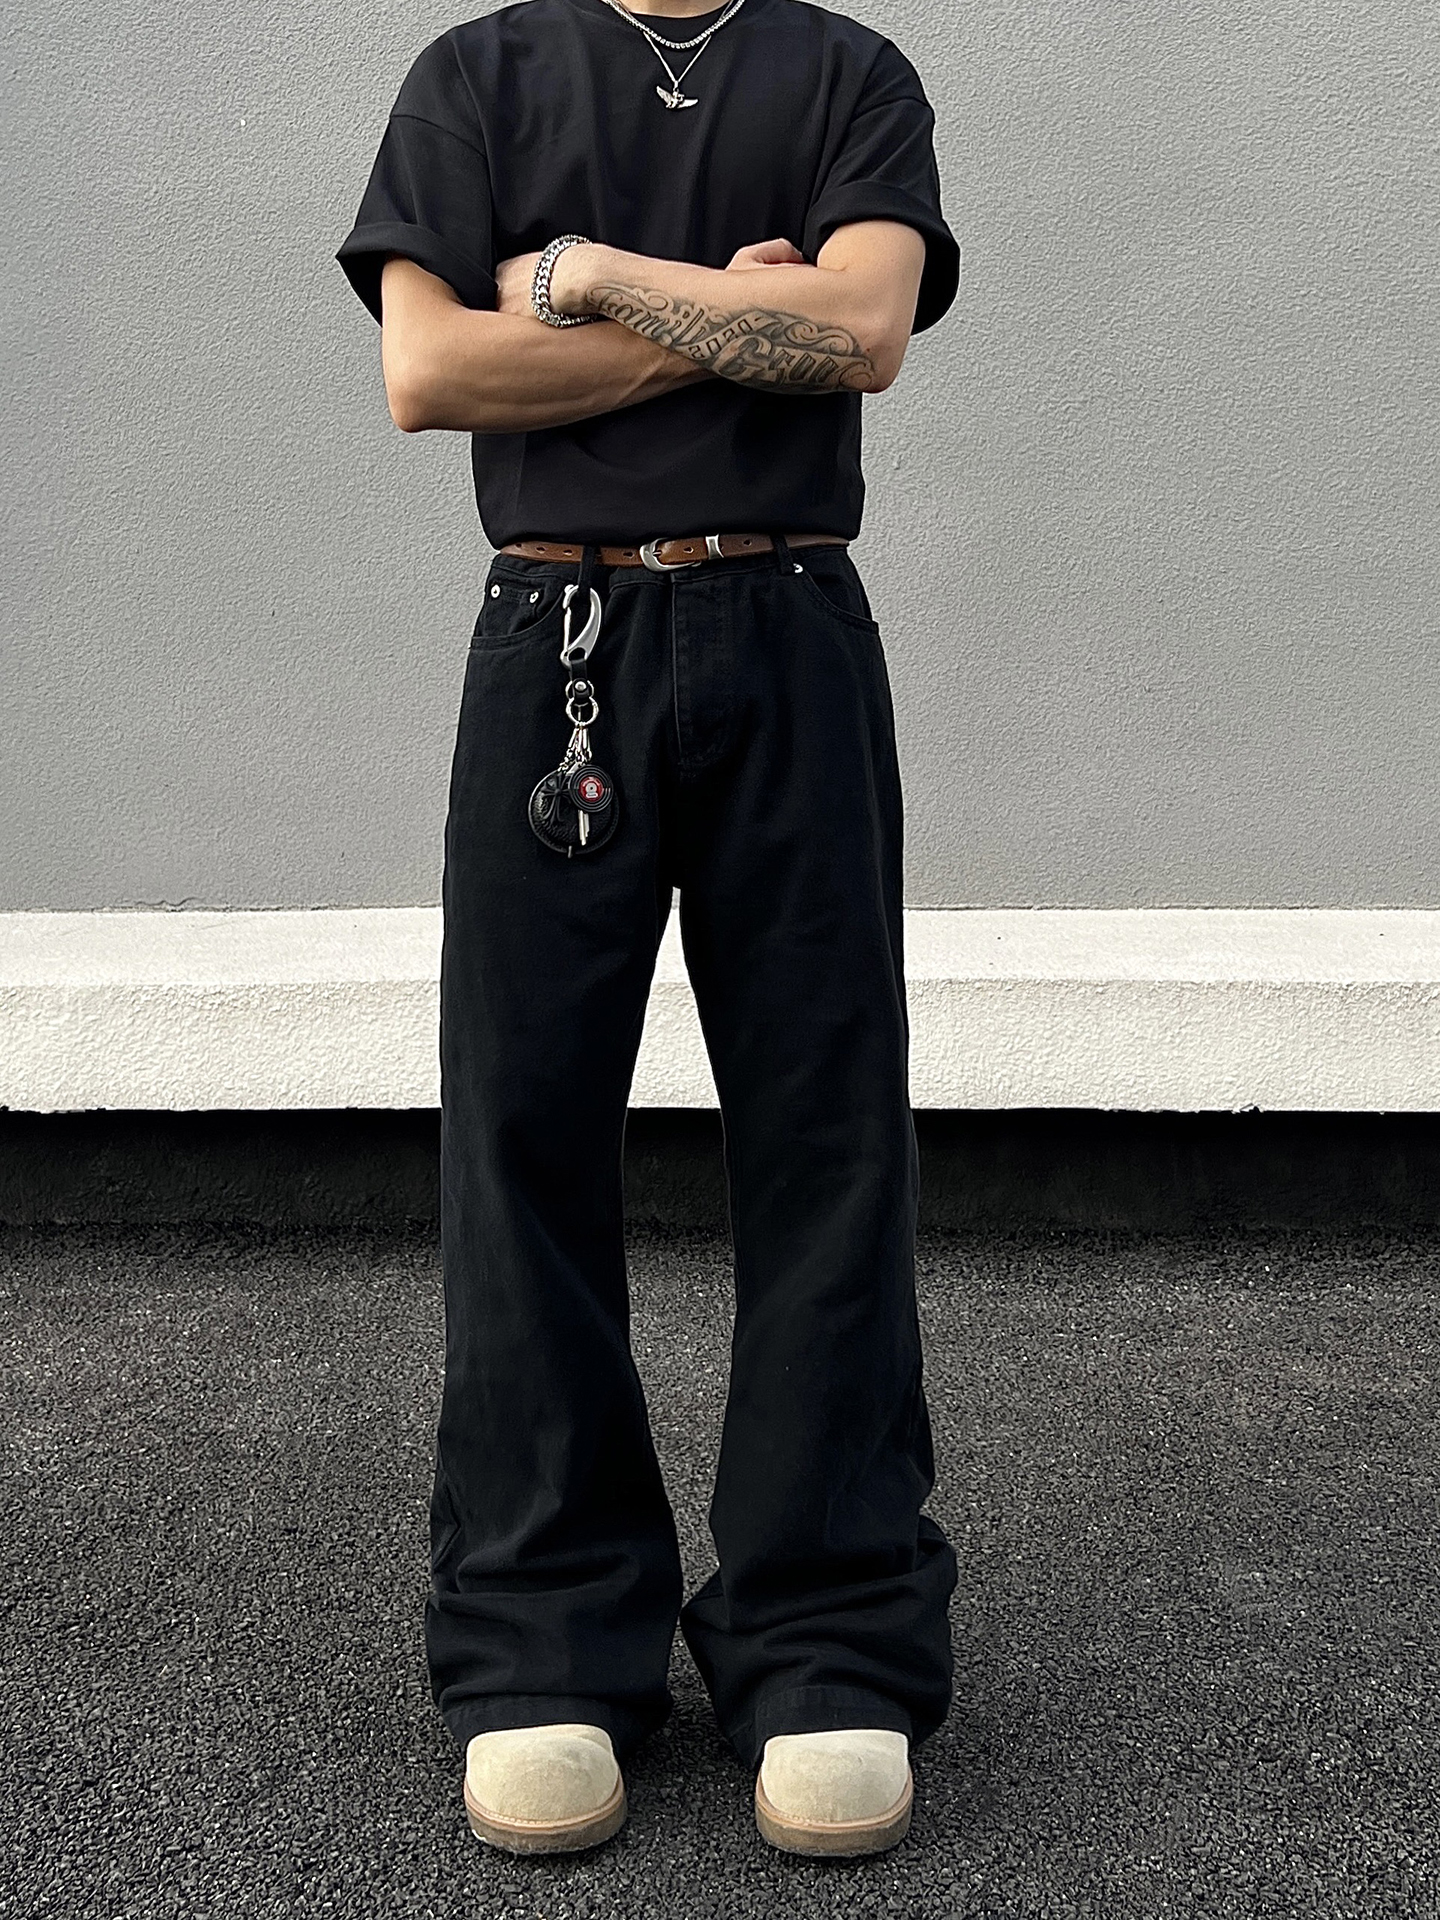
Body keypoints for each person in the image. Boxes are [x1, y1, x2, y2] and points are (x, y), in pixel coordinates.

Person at [336, 0, 961, 1861]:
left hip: (792, 624)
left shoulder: (848, 74)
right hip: (557, 636)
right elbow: (431, 371)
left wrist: (591, 278)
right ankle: (544, 1637)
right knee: (520, 1133)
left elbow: (861, 336)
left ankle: (829, 1638)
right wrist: (731, 323)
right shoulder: (474, 79)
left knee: (829, 1132)